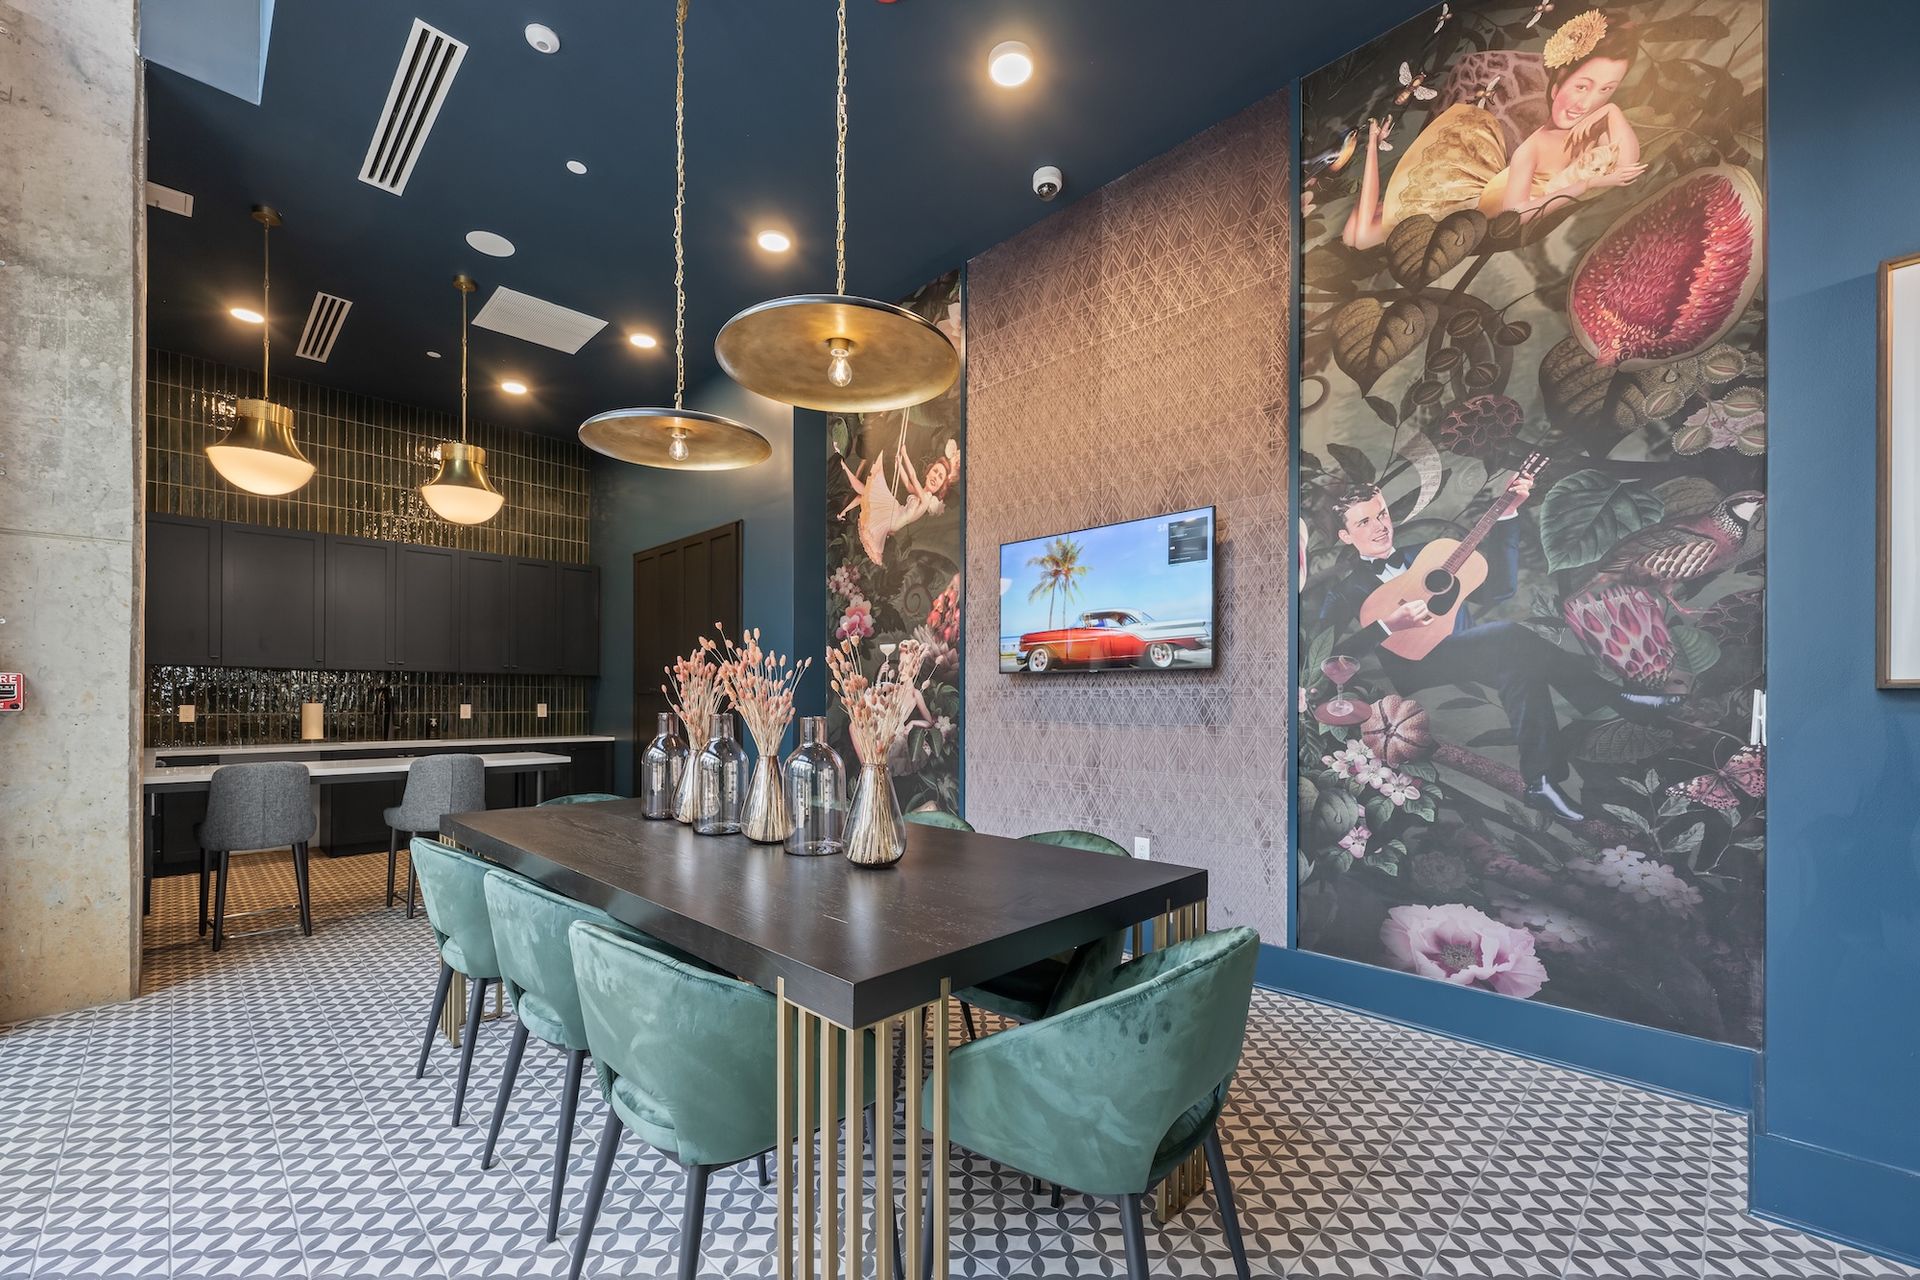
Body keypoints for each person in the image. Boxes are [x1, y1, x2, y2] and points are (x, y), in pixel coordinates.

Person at [1316, 476, 1680, 823]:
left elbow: (1500, 590)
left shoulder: (1430, 554)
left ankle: (1542, 783)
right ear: (1347, 535)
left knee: (1521, 670)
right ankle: (1617, 700)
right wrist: (1387, 626)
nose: (1380, 526)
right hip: (1417, 667)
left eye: (1381, 514)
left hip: (1473, 652)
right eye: (1364, 522)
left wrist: (1508, 514)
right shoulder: (1347, 590)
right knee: (1509, 635)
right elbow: (1326, 653)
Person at [1342, 9, 1645, 250]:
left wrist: (1612, 111)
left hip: (1465, 209)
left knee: (1360, 234)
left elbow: (1628, 165)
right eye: (1582, 86)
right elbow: (1516, 215)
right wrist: (1582, 187)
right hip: (1461, 212)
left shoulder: (1593, 128)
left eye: (1606, 90)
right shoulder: (1533, 148)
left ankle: (1373, 163)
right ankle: (1371, 155)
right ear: (1560, 80)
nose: (1587, 103)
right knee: (1360, 237)